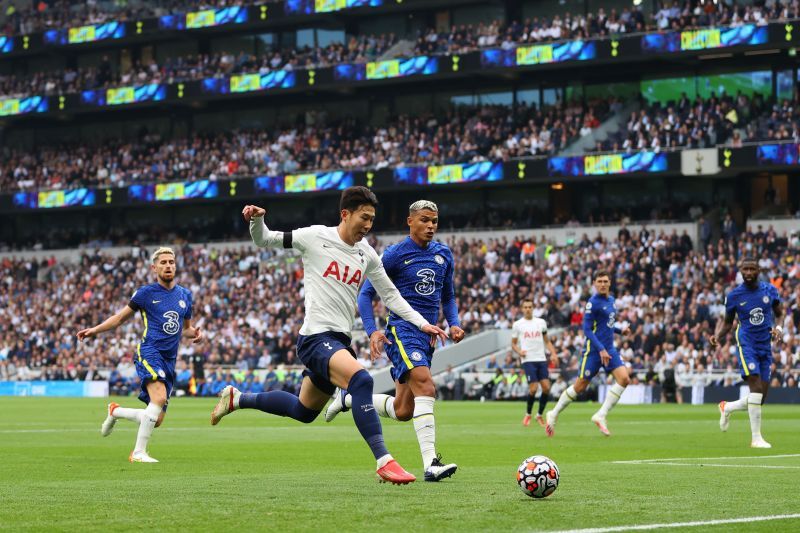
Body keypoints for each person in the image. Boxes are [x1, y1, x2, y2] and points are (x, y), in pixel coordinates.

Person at [210, 187, 447, 484]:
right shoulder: (315, 236)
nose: (368, 225)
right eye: (364, 217)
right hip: (314, 338)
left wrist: (423, 323)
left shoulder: (367, 253)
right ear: (345, 214)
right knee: (361, 379)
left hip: (339, 342)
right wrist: (256, 220)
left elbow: (391, 296)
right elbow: (265, 239)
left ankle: (238, 398)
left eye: (372, 219)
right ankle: (384, 460)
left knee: (303, 410)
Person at [324, 200, 464, 482]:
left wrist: (455, 323)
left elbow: (447, 296)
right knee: (426, 384)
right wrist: (372, 329)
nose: (431, 226)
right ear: (409, 222)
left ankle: (348, 399)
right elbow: (366, 295)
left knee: (403, 410)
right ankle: (431, 464)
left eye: (434, 221)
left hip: (428, 336)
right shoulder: (394, 255)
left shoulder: (443, 254)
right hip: (402, 330)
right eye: (424, 220)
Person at [77, 247, 204, 463]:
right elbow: (119, 318)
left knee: (157, 418)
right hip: (149, 351)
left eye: (171, 262)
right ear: (154, 268)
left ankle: (115, 412)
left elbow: (185, 328)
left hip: (169, 360)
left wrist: (196, 334)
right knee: (159, 398)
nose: (168, 266)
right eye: (163, 262)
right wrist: (95, 330)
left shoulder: (185, 295)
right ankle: (138, 453)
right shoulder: (145, 293)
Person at [545, 271, 631, 437]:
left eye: (605, 281)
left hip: (609, 348)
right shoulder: (593, 303)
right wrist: (601, 349)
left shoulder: (611, 300)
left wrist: (621, 331)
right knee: (580, 386)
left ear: (610, 282)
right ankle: (553, 413)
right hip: (593, 351)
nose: (603, 284)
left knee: (624, 379)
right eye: (599, 281)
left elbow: (607, 325)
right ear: (594, 283)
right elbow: (586, 329)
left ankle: (601, 415)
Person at [710, 257, 783, 448]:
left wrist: (779, 329)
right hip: (746, 344)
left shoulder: (769, 290)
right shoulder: (734, 295)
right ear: (740, 271)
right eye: (745, 269)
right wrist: (717, 336)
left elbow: (780, 313)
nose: (748, 272)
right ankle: (756, 438)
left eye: (752, 269)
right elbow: (727, 322)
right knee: (756, 390)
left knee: (761, 398)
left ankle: (727, 407)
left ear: (758, 270)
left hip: (765, 346)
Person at [511, 298, 558, 428]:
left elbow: (547, 341)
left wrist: (553, 353)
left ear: (533, 308)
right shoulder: (518, 324)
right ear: (522, 309)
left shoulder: (541, 323)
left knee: (547, 388)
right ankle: (528, 414)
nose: (527, 309)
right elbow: (513, 344)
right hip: (528, 359)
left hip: (541, 358)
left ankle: (539, 415)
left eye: (530, 307)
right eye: (525, 307)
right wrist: (519, 352)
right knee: (533, 388)